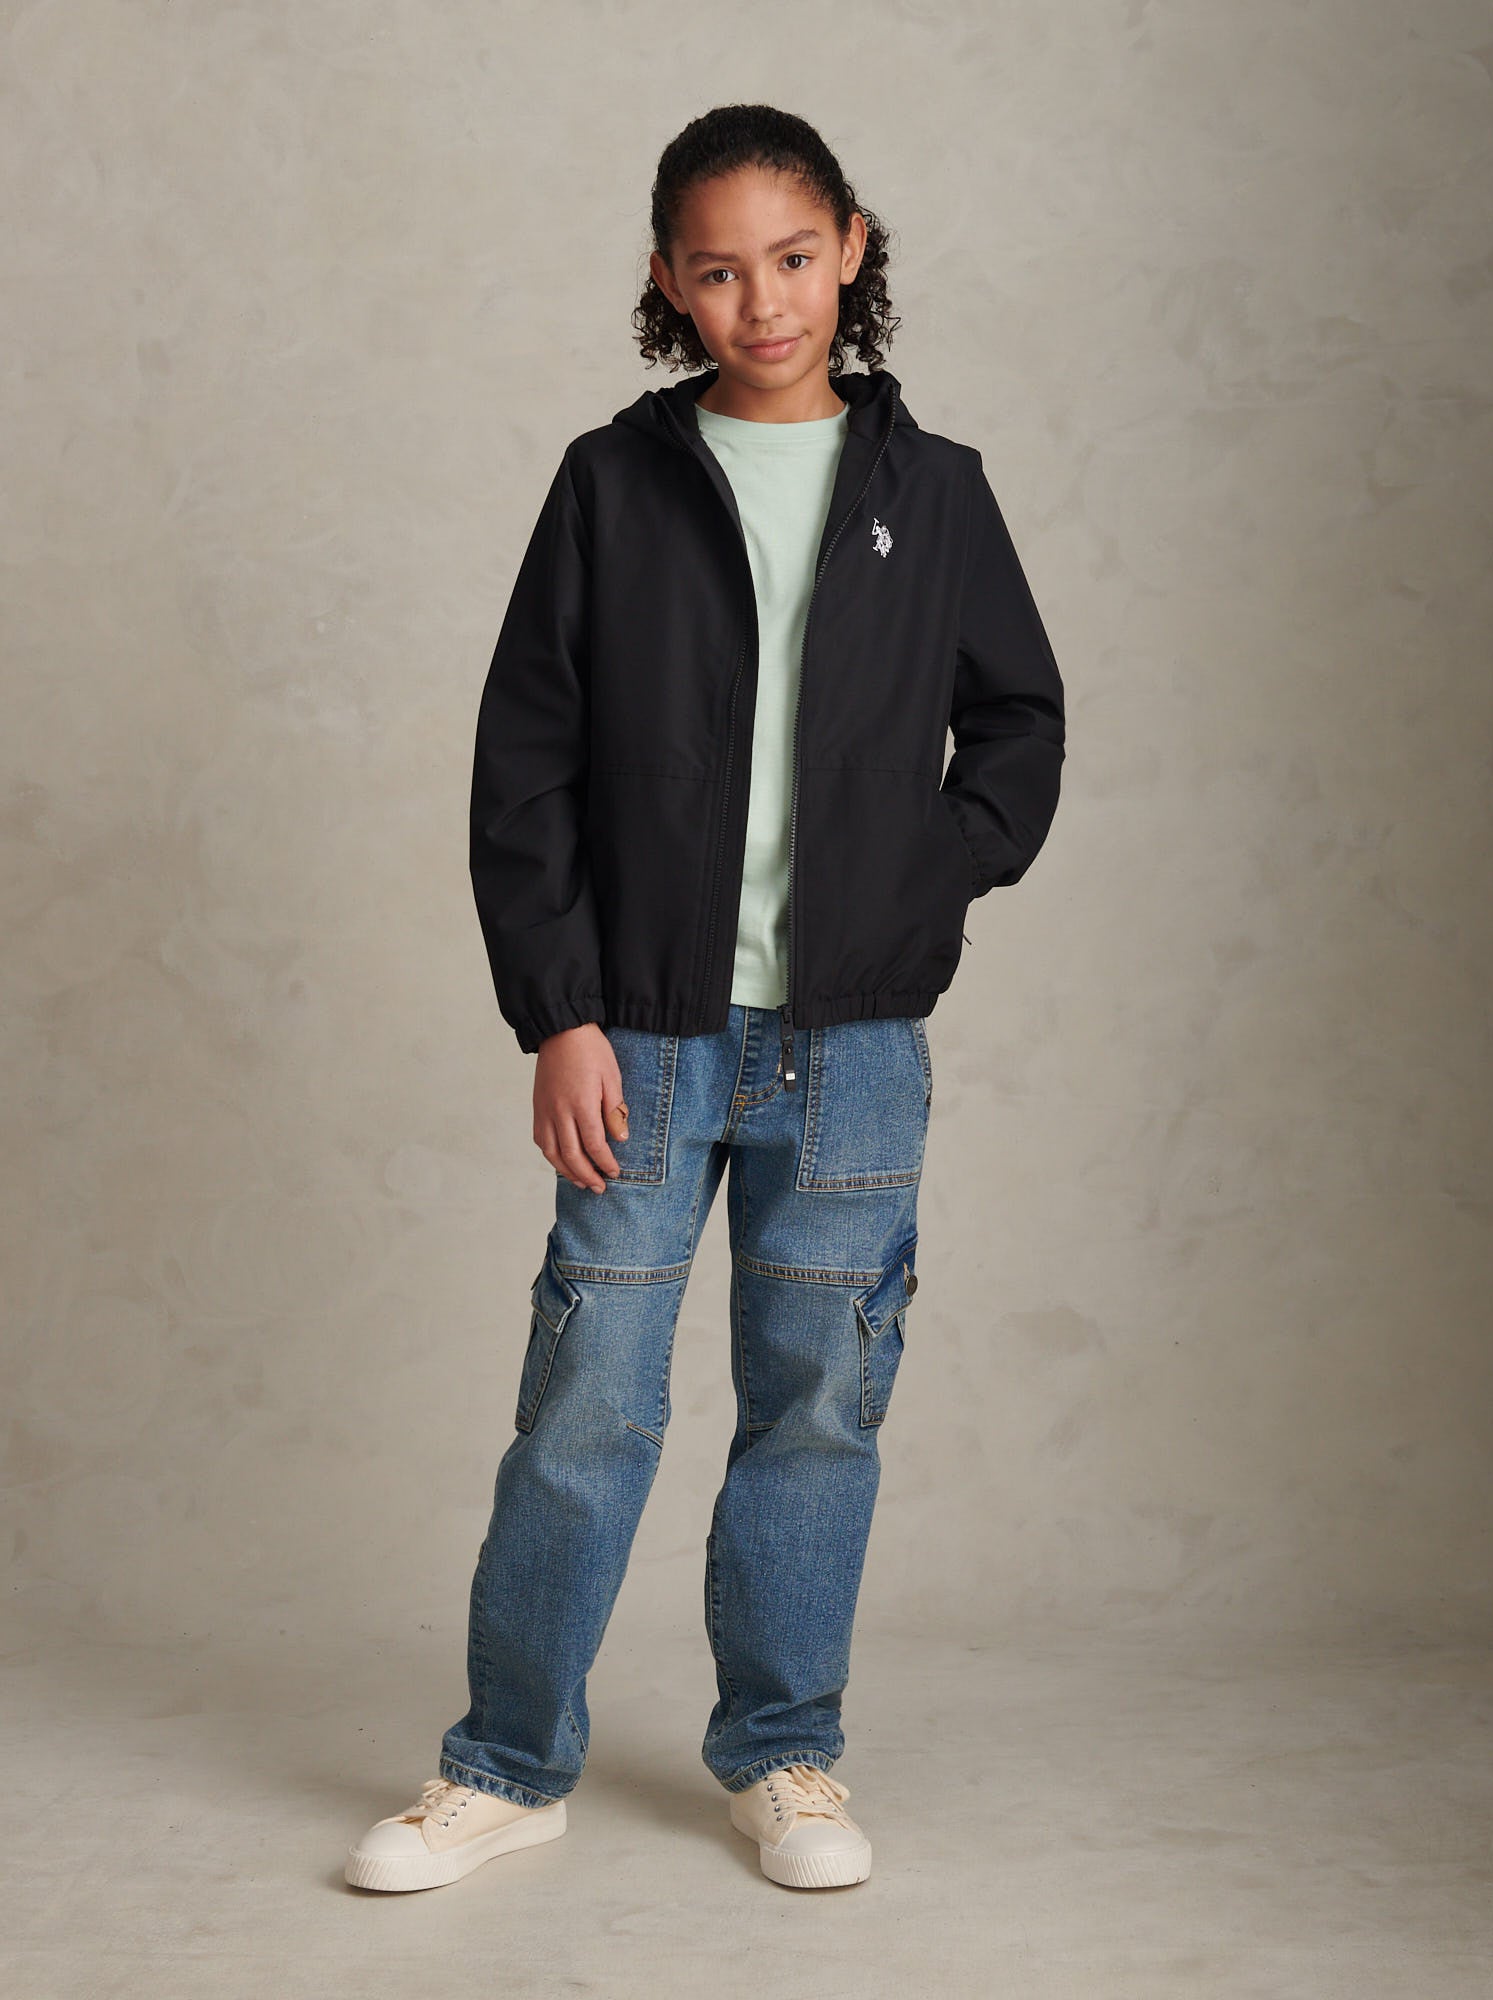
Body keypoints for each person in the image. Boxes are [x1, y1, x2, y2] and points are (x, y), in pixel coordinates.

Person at [346, 101, 1065, 1896]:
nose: (765, 301)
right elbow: (525, 762)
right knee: (589, 1400)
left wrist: (931, 874)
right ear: (669, 281)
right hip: (645, 1035)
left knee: (818, 1403)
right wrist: (558, 1012)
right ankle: (506, 1765)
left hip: (856, 1044)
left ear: (853, 247)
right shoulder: (614, 484)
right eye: (720, 270)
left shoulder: (935, 491)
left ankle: (787, 1757)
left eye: (795, 259)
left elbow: (1021, 723)